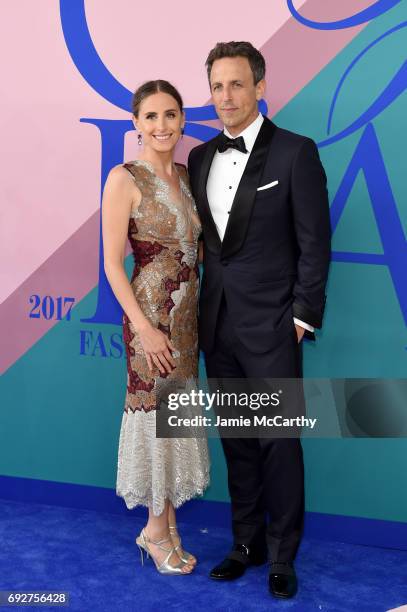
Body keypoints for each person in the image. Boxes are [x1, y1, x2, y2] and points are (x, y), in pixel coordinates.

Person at [188, 42, 331, 598]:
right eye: (217, 86)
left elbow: (314, 243)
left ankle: (282, 555)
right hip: (217, 323)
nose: (226, 96)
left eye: (237, 85)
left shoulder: (296, 153)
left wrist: (302, 315)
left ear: (260, 87)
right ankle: (244, 543)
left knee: (278, 441)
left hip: (274, 323)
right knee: (237, 438)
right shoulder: (200, 157)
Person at [102, 80, 210, 575]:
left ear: (182, 120)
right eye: (151, 116)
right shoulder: (124, 178)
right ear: (135, 124)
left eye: (170, 115)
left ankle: (161, 528)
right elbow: (111, 265)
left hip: (186, 320)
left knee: (176, 417)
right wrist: (143, 328)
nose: (161, 126)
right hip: (150, 320)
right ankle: (154, 528)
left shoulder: (189, 177)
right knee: (155, 417)